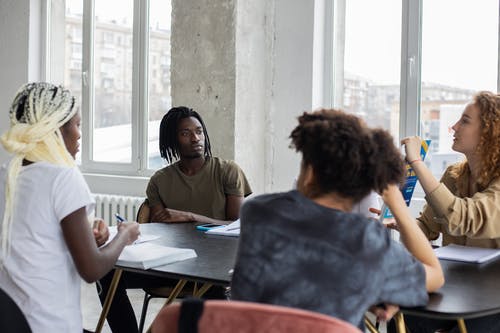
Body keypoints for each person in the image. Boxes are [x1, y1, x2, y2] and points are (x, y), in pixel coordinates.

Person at [230, 109, 444, 331]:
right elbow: (435, 275)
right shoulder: (368, 241)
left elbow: (299, 279)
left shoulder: (257, 212)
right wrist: (398, 205)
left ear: (310, 173)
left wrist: (362, 291)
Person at [0, 82, 140, 333]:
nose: (79, 134)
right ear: (54, 130)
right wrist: (124, 235)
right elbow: (92, 270)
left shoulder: (10, 175)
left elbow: (35, 242)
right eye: (77, 125)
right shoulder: (63, 177)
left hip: (12, 321)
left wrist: (89, 239)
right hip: (50, 324)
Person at [99, 106, 252, 333]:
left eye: (199, 131)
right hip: (168, 265)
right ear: (173, 139)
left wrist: (189, 217)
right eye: (186, 133)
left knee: (214, 297)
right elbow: (160, 223)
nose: (195, 138)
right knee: (106, 274)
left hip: (212, 270)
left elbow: (238, 226)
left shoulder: (227, 171)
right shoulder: (160, 180)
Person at [388, 91, 500, 333]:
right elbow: (426, 230)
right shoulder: (453, 175)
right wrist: (398, 220)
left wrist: (417, 163)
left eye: (465, 121)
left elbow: (464, 218)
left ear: (490, 133)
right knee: (403, 317)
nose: (454, 127)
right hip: (455, 287)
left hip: (493, 297)